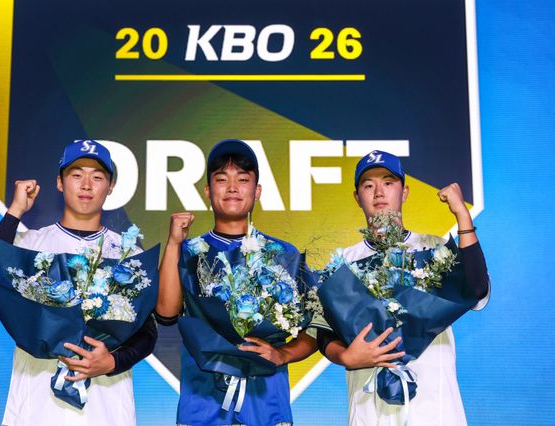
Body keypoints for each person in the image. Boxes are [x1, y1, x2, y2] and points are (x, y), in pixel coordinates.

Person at [0, 140, 157, 425]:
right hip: (36, 406)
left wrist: (112, 362)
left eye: (97, 177)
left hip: (105, 407)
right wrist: (15, 211)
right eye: (76, 174)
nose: (86, 185)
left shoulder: (127, 254)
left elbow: (148, 331)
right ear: (59, 182)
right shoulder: (29, 244)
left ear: (110, 186)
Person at [317, 150, 490, 425]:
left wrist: (462, 215)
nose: (379, 193)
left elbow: (477, 289)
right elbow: (323, 334)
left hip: (435, 409)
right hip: (370, 409)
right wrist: (346, 357)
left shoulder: (434, 248)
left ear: (405, 192)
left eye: (388, 183)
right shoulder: (341, 265)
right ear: (357, 197)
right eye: (368, 185)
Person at [156, 139, 318, 426]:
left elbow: (315, 328)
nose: (232, 187)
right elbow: (166, 314)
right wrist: (173, 244)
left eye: (242, 180)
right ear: (208, 191)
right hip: (202, 402)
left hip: (266, 402)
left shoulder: (284, 254)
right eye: (222, 179)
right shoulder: (189, 251)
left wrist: (283, 353)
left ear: (257, 191)